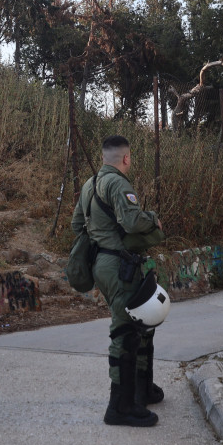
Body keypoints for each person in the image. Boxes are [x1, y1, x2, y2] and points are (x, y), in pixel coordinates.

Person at [70, 135, 167, 427]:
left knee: (142, 325)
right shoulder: (118, 184)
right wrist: (152, 219)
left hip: (103, 262)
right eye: (130, 157)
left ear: (104, 157)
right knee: (125, 330)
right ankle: (120, 407)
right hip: (119, 265)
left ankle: (141, 390)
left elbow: (77, 224)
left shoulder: (89, 185)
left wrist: (102, 235)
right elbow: (132, 222)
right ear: (126, 158)